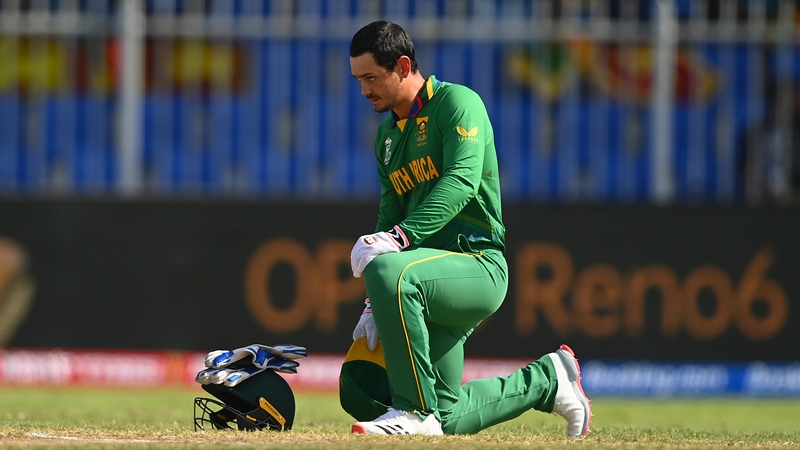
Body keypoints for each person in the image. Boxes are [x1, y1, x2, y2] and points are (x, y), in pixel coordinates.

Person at [347, 20, 592, 437]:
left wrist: (397, 244)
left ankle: (411, 413)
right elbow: (389, 213)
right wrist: (375, 302)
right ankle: (549, 380)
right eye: (358, 80)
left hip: (477, 264)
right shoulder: (386, 138)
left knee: (388, 270)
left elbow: (460, 181)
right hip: (424, 277)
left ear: (403, 66)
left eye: (371, 78)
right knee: (418, 409)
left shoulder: (457, 103)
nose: (364, 89)